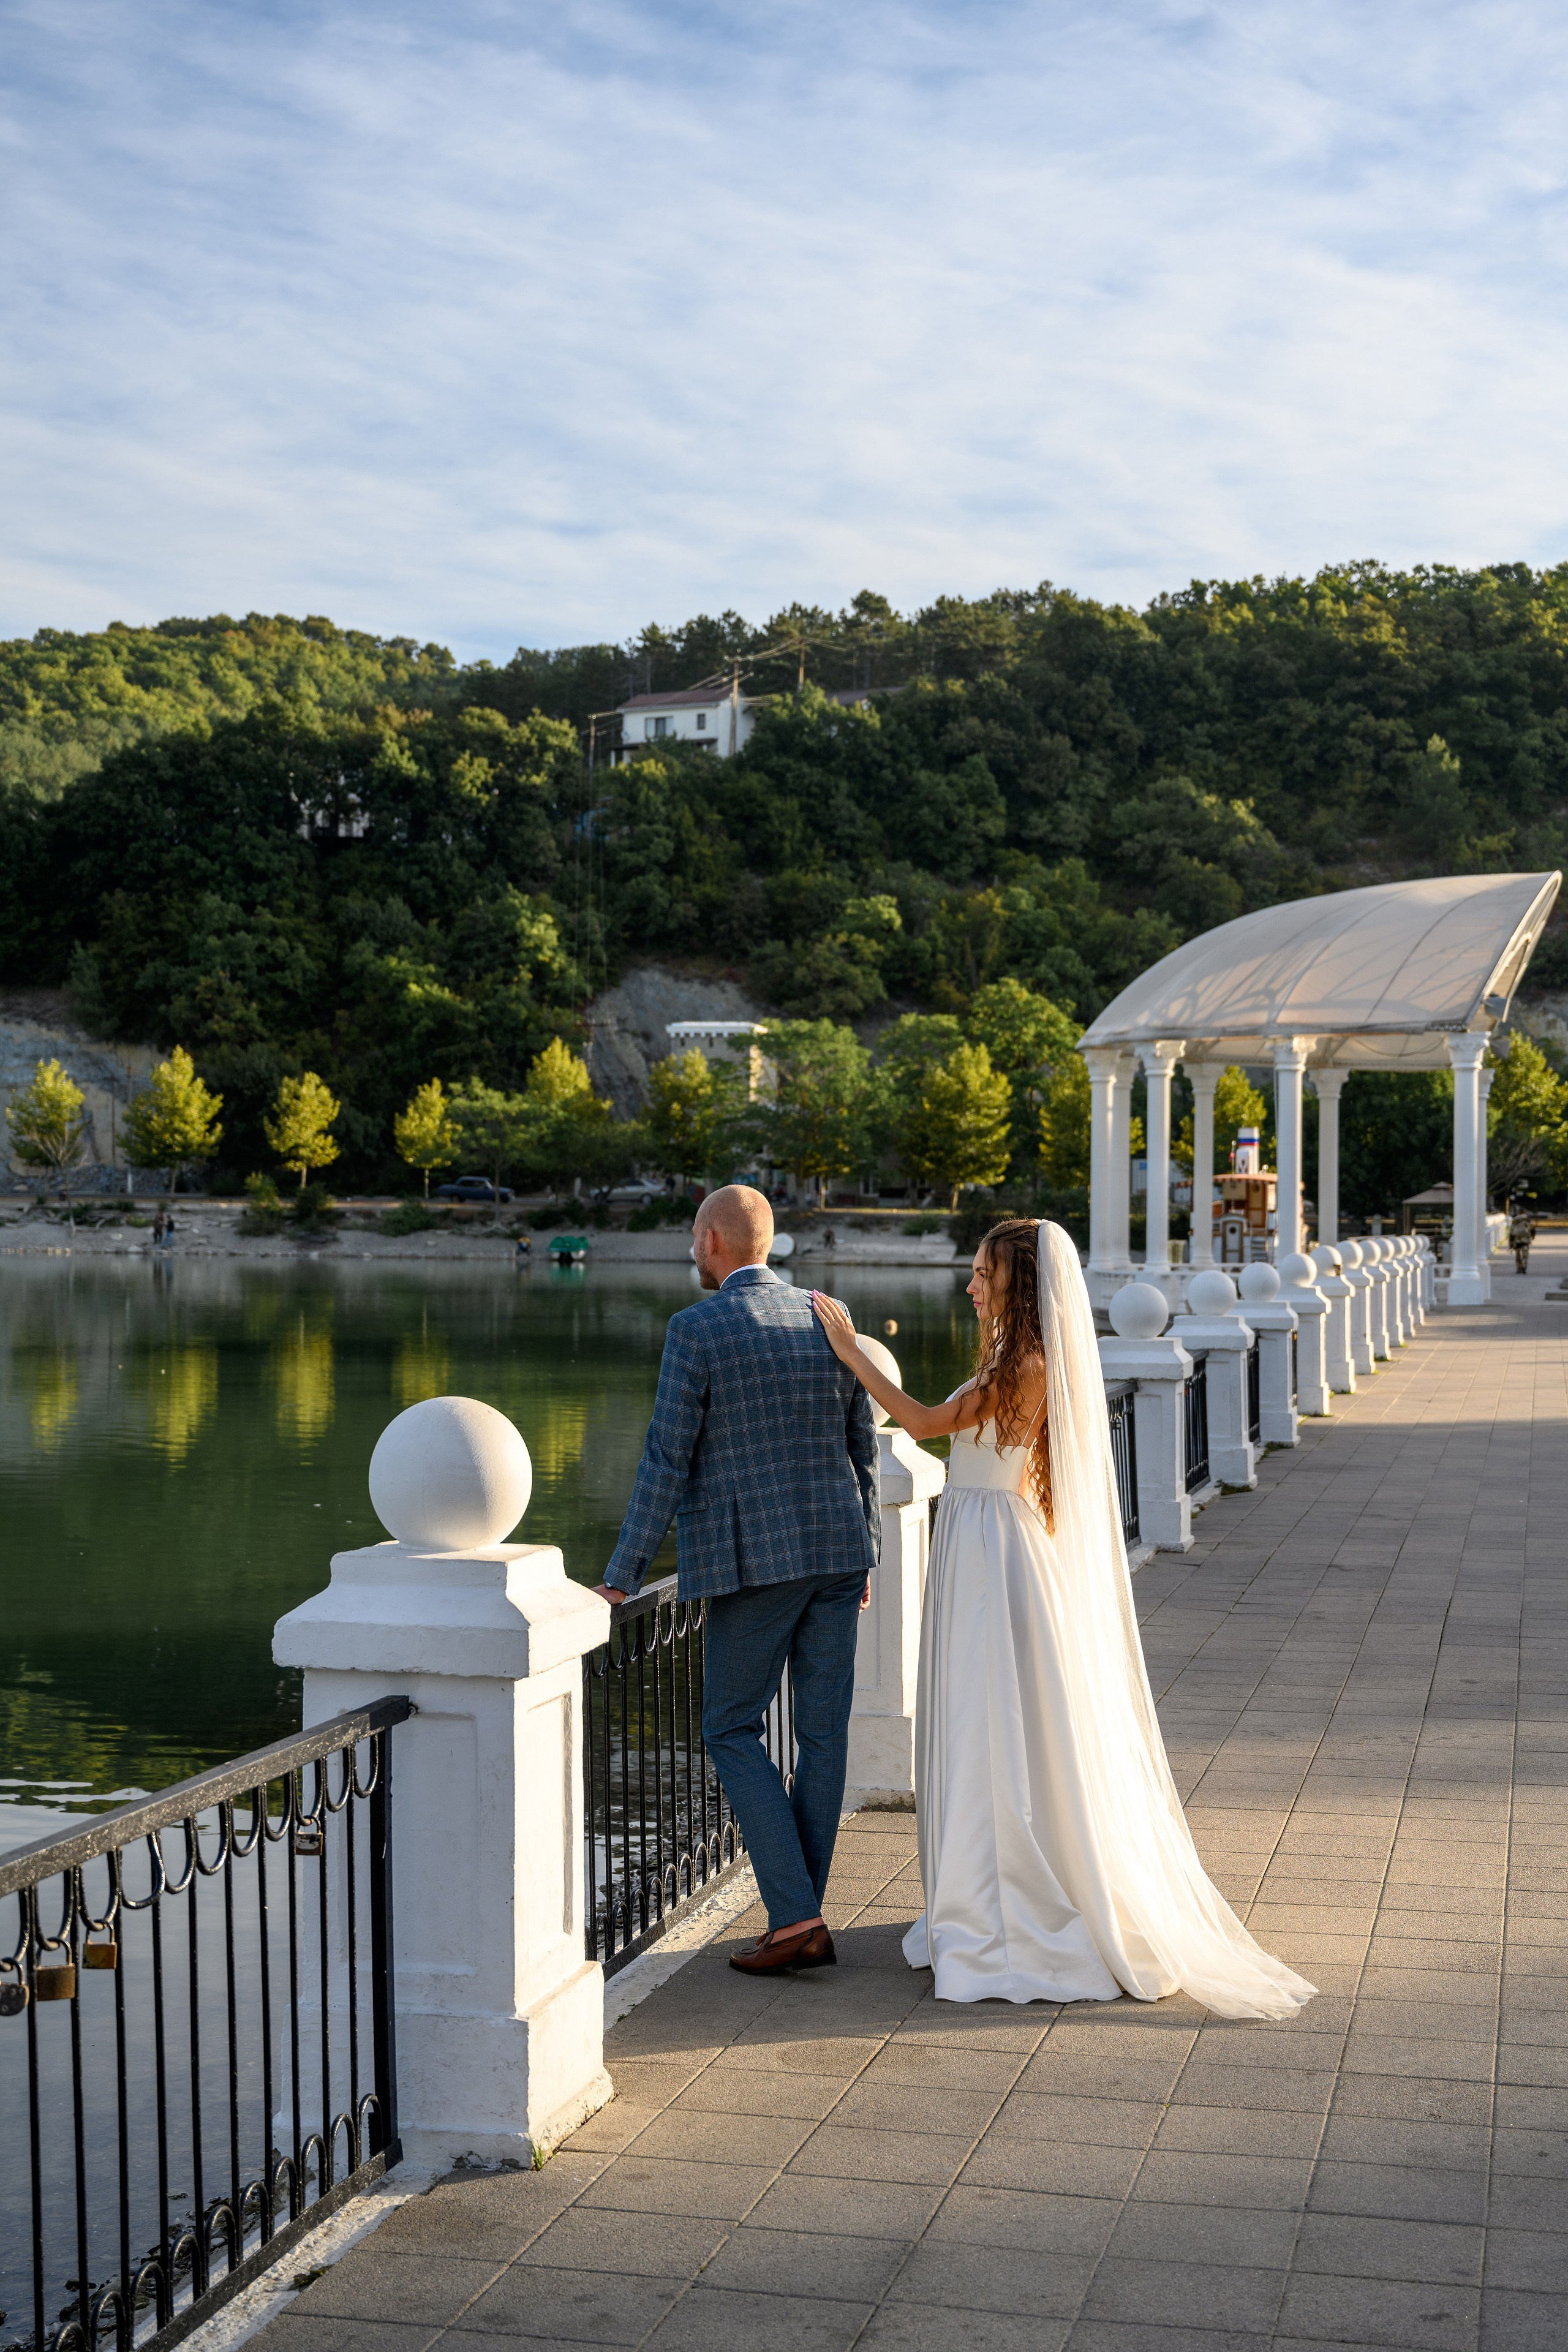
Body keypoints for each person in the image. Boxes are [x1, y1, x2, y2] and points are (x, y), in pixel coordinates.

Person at [812, 1217, 1317, 2020]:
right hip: (976, 1537)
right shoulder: (1008, 1357)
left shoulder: (1029, 1365)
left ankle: (1015, 1901)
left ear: (1017, 1284)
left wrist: (850, 1352)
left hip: (993, 1552)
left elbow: (925, 1425)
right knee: (981, 1715)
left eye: (984, 1275)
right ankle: (979, 1890)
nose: (971, 1287)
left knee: (997, 1716)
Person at [592, 1184, 879, 1976]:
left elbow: (666, 1459)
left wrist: (620, 1578)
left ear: (712, 1242)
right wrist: (868, 1548)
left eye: (695, 1237)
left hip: (758, 1561)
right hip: (838, 1550)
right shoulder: (830, 1315)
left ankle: (797, 1917)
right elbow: (863, 1447)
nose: (694, 1249)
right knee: (823, 1738)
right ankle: (800, 1919)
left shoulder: (697, 1328)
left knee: (728, 1728)